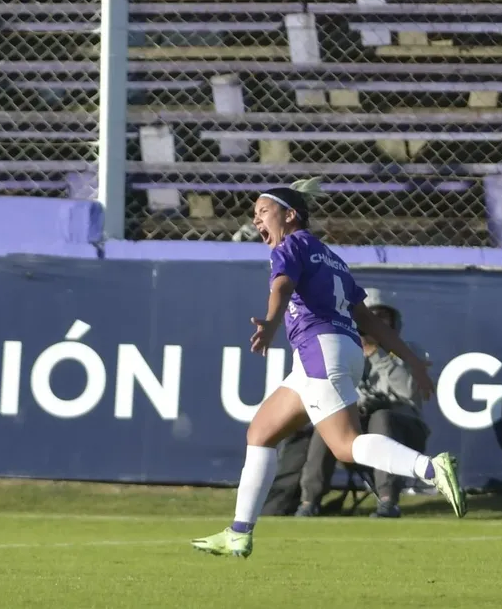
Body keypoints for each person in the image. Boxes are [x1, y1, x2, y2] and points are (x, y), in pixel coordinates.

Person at [192, 179, 466, 558]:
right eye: (254, 213)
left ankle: (432, 470)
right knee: (261, 432)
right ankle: (239, 531)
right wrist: (413, 360)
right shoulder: (331, 258)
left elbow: (282, 286)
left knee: (345, 445)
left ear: (290, 215)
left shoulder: (291, 245)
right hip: (338, 349)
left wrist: (271, 323)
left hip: (319, 349)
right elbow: (369, 321)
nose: (256, 219)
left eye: (263, 211)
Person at [295, 287, 431, 519]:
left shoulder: (410, 351)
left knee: (382, 417)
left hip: (404, 433)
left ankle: (388, 501)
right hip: (355, 435)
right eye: (368, 316)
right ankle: (308, 502)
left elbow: (408, 392)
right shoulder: (342, 352)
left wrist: (378, 353)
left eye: (381, 316)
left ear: (393, 321)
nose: (373, 322)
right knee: (329, 421)